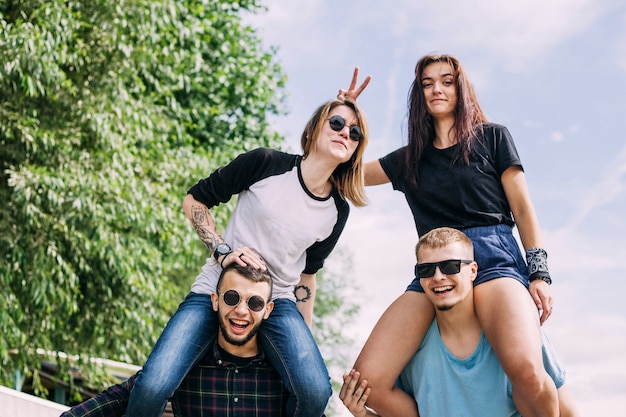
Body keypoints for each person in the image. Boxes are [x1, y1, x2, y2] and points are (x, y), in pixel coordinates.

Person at [339, 55, 558, 417]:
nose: (436, 89)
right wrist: (343, 114)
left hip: (494, 256)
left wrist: (540, 273)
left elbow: (522, 209)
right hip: (434, 269)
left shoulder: (492, 138)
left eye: (446, 81)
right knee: (368, 382)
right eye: (427, 83)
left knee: (527, 373)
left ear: (461, 88)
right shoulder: (408, 160)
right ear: (419, 94)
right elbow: (343, 169)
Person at [124, 96, 369, 417]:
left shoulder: (337, 210)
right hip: (218, 285)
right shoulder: (265, 163)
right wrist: (222, 253)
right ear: (312, 131)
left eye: (355, 133)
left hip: (276, 301)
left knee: (315, 392)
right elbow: (195, 201)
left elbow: (307, 275)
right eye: (337, 123)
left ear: (355, 149)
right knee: (152, 386)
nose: (345, 133)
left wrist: (302, 336)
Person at [339, 227, 580, 417]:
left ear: (473, 270)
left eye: (450, 266)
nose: (438, 277)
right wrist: (362, 414)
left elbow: (566, 412)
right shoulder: (410, 351)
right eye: (426, 270)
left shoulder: (516, 336)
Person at [60, 263, 287, 417]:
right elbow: (113, 400)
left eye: (254, 303)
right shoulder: (181, 365)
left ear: (267, 310)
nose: (241, 310)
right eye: (231, 297)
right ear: (215, 300)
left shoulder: (285, 380)